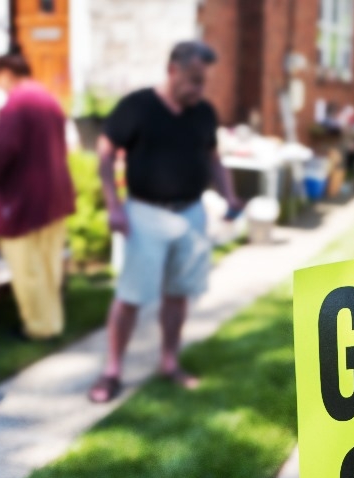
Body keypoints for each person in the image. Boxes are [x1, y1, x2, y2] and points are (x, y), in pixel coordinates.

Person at [88, 40, 243, 403]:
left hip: (190, 213)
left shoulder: (204, 112)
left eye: (203, 81)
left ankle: (169, 362)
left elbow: (213, 158)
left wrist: (228, 193)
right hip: (145, 214)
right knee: (130, 297)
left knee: (178, 296)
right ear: (172, 70)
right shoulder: (138, 106)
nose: (199, 90)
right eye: (193, 80)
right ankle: (112, 370)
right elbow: (106, 152)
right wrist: (113, 205)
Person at [0, 54, 75, 341]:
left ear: (6, 73)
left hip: (24, 197)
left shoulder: (17, 103)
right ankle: (53, 321)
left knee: (26, 267)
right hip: (54, 193)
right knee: (49, 264)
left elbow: (3, 150)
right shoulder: (49, 99)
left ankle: (38, 326)